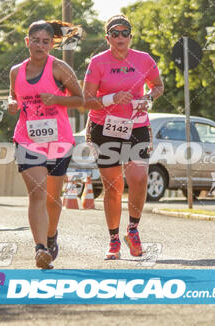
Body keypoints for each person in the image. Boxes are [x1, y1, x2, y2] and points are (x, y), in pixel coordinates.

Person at [83, 14, 163, 260]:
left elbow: (157, 85)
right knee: (113, 186)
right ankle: (114, 239)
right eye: (114, 33)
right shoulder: (97, 62)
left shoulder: (143, 59)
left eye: (124, 33)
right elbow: (86, 99)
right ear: (107, 38)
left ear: (130, 36)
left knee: (138, 178)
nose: (120, 37)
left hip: (136, 126)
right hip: (104, 127)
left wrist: (148, 98)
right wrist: (111, 98)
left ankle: (133, 229)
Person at [8, 20, 84, 269]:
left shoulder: (60, 68)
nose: (40, 45)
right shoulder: (15, 71)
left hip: (58, 140)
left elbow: (80, 99)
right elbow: (13, 94)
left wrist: (56, 99)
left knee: (53, 198)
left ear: (53, 43)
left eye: (46, 41)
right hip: (27, 139)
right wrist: (11, 103)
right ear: (27, 42)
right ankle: (40, 248)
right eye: (36, 41)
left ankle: (51, 236)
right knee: (37, 193)